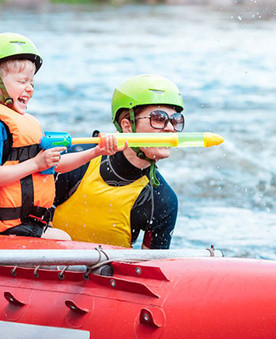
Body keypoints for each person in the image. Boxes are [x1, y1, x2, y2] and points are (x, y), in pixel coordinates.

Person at [0, 32, 119, 239]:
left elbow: (56, 164)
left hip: (18, 224)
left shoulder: (18, 124)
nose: (30, 89)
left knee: (61, 235)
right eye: (22, 81)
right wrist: (36, 163)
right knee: (63, 239)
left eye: (32, 83)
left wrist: (97, 151)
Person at [53, 74, 182, 249]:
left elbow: (150, 269)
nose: (170, 128)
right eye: (158, 119)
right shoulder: (76, 160)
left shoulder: (162, 200)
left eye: (175, 121)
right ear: (127, 126)